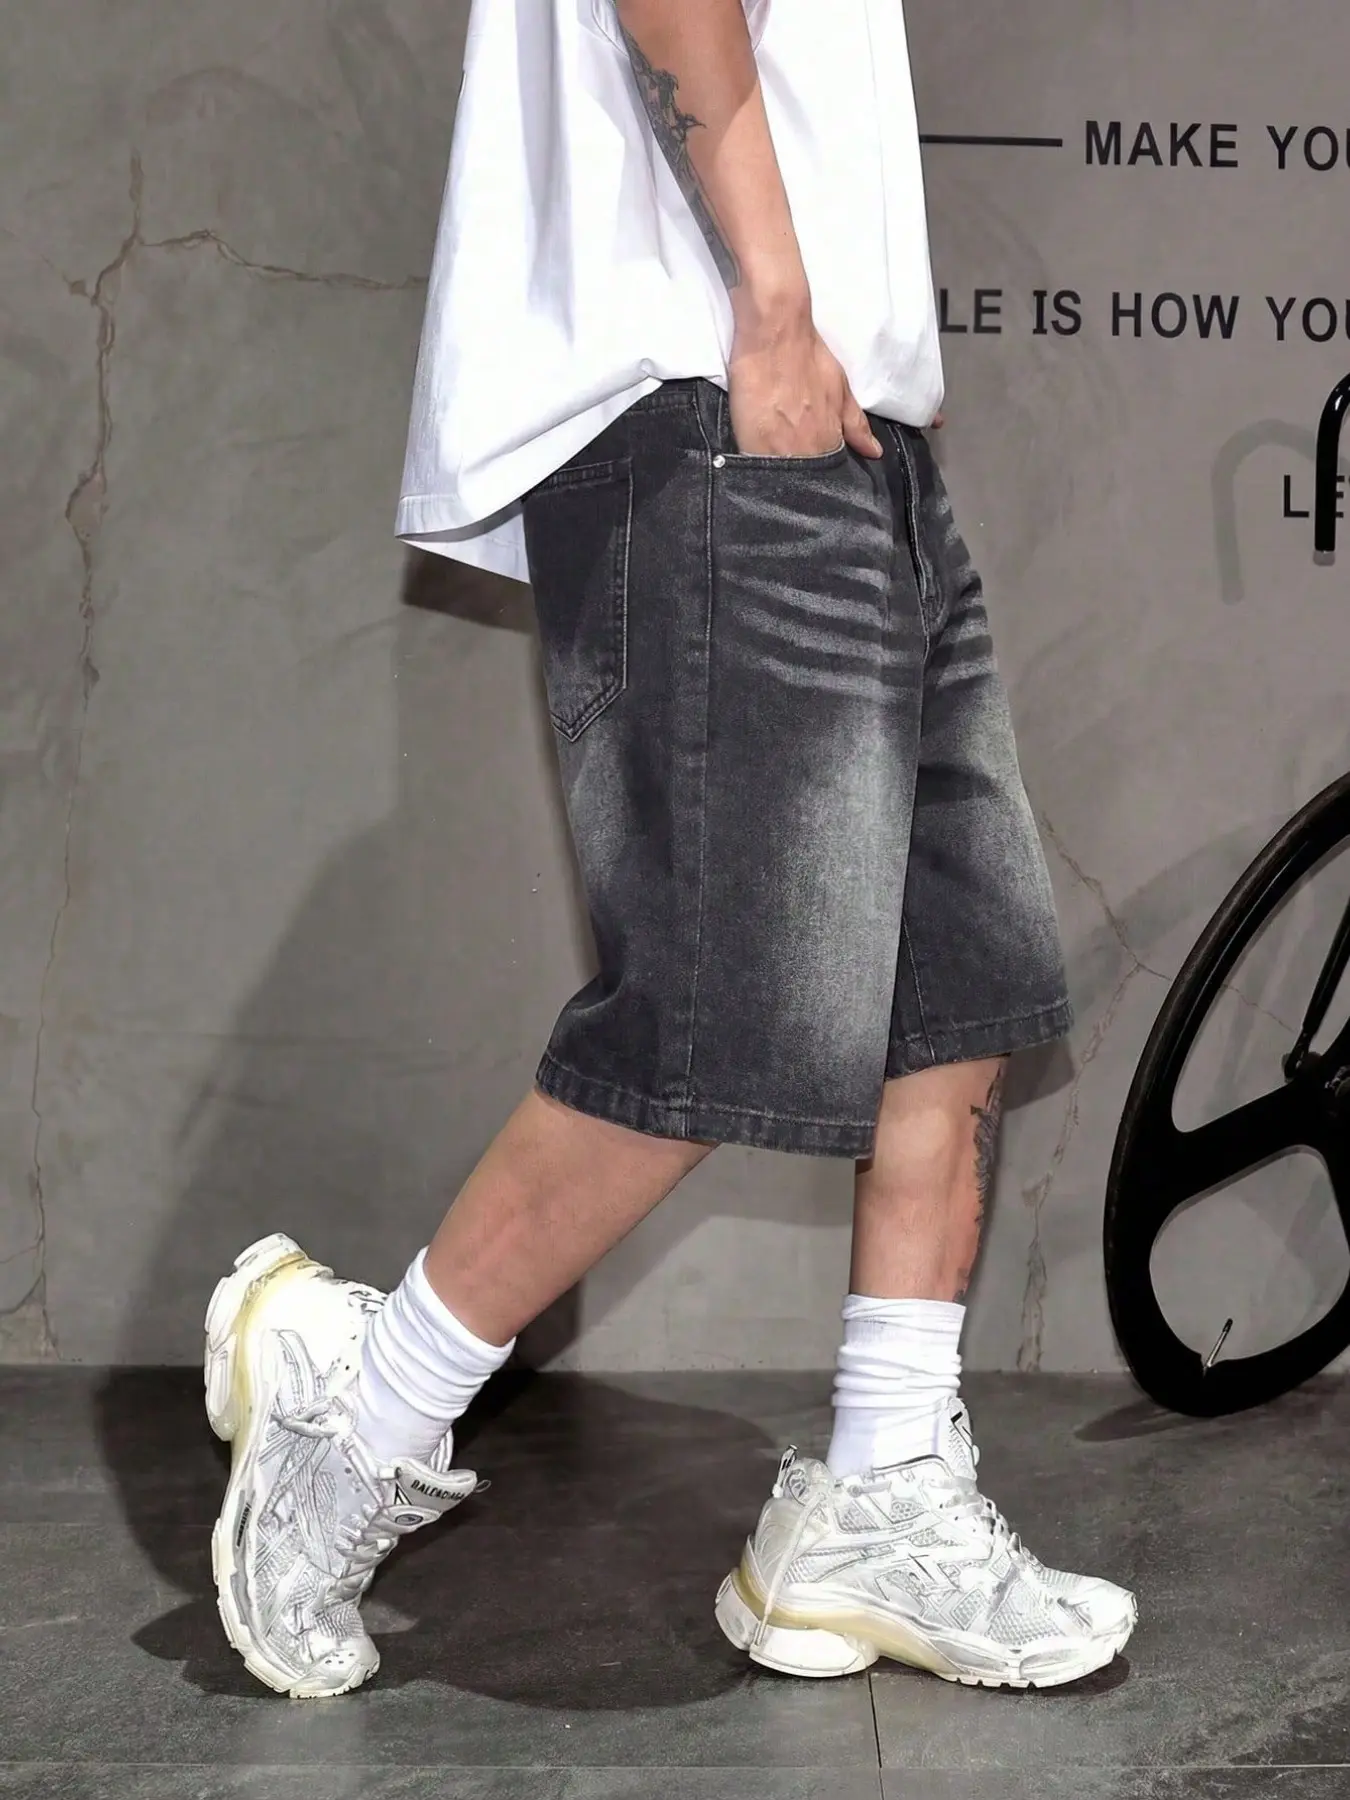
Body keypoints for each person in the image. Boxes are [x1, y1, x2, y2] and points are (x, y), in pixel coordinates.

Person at [204, 0, 1137, 1700]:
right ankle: (364, 1403)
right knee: (722, 1019)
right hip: (718, 402)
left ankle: (878, 1493)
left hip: (844, 432)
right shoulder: (738, 352)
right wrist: (771, 307)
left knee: (955, 990)